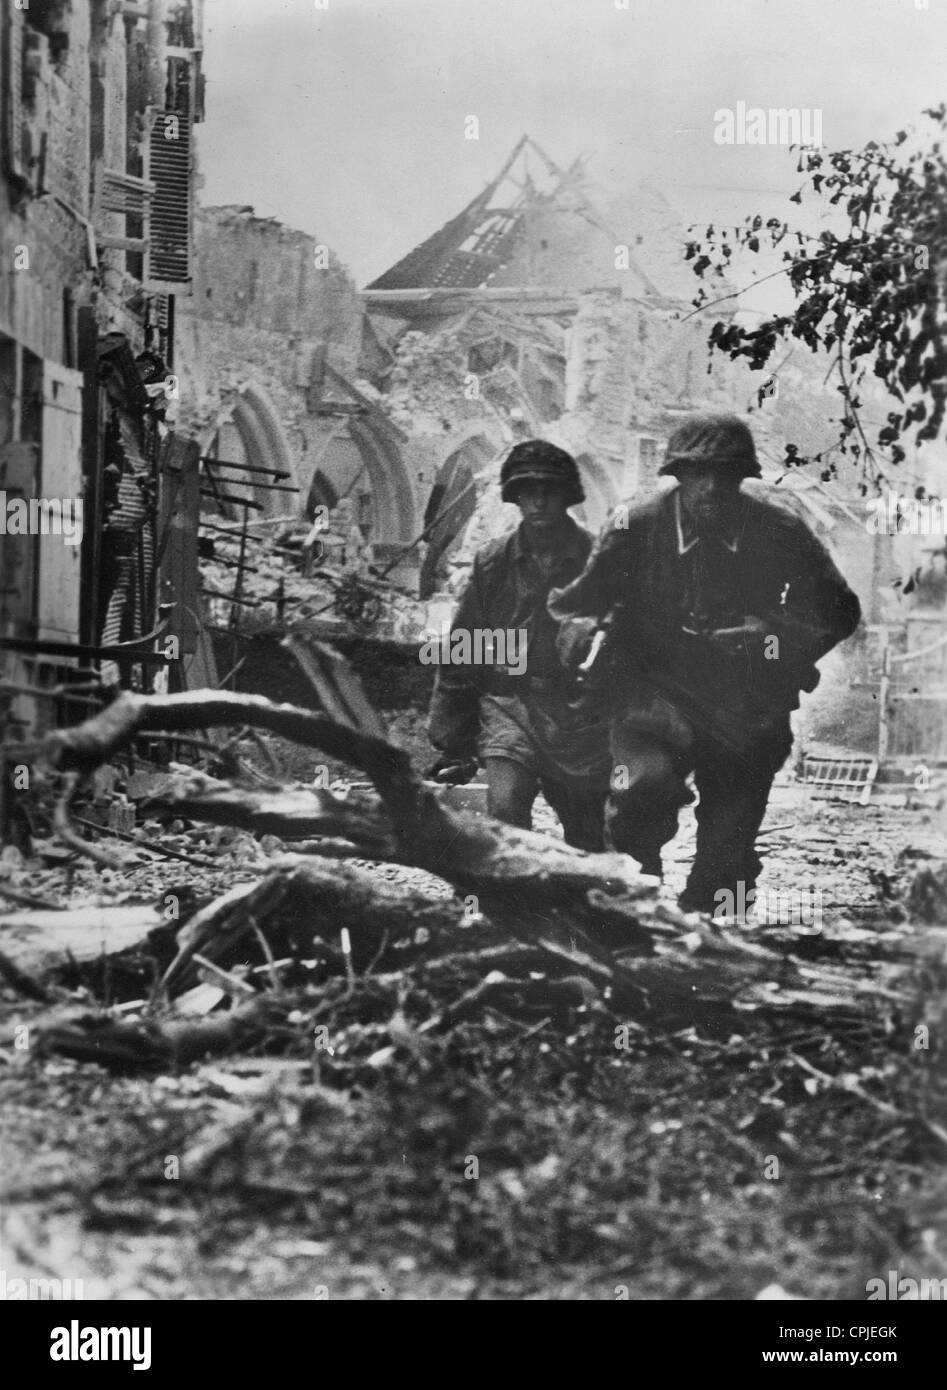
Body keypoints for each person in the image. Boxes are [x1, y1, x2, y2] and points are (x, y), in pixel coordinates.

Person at [549, 413, 862, 911]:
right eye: (699, 473)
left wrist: (772, 635)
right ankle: (632, 901)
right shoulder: (637, 523)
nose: (712, 487)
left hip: (745, 706)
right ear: (678, 474)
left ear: (743, 479)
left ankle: (708, 946)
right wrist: (581, 632)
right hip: (650, 696)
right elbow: (580, 601)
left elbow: (838, 609)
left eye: (727, 474)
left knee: (726, 858)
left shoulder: (777, 528)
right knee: (639, 788)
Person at [427, 440, 611, 851]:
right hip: (510, 706)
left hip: (578, 718)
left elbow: (628, 639)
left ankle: (577, 910)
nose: (539, 500)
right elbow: (466, 645)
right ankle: (510, 908)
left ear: (568, 495)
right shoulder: (494, 560)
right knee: (506, 808)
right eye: (528, 491)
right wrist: (453, 741)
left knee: (586, 833)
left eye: (550, 490)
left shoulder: (598, 559)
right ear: (515, 496)